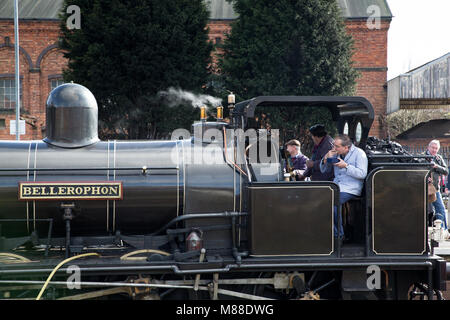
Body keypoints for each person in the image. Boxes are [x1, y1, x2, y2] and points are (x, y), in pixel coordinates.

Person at [320, 134, 368, 241]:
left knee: (333, 203)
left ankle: (338, 235)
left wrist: (346, 166)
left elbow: (362, 174)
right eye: (334, 145)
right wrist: (325, 158)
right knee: (320, 199)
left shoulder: (359, 154)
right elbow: (325, 170)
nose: (334, 148)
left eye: (337, 146)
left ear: (346, 147)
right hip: (336, 186)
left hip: (351, 188)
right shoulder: (335, 153)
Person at [424, 140, 449, 230]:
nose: (434, 150)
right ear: (428, 147)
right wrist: (425, 177)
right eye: (433, 148)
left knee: (441, 208)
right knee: (426, 211)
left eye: (436, 148)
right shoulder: (422, 157)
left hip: (435, 189)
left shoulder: (438, 158)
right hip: (423, 188)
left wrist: (437, 167)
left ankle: (443, 230)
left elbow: (446, 171)